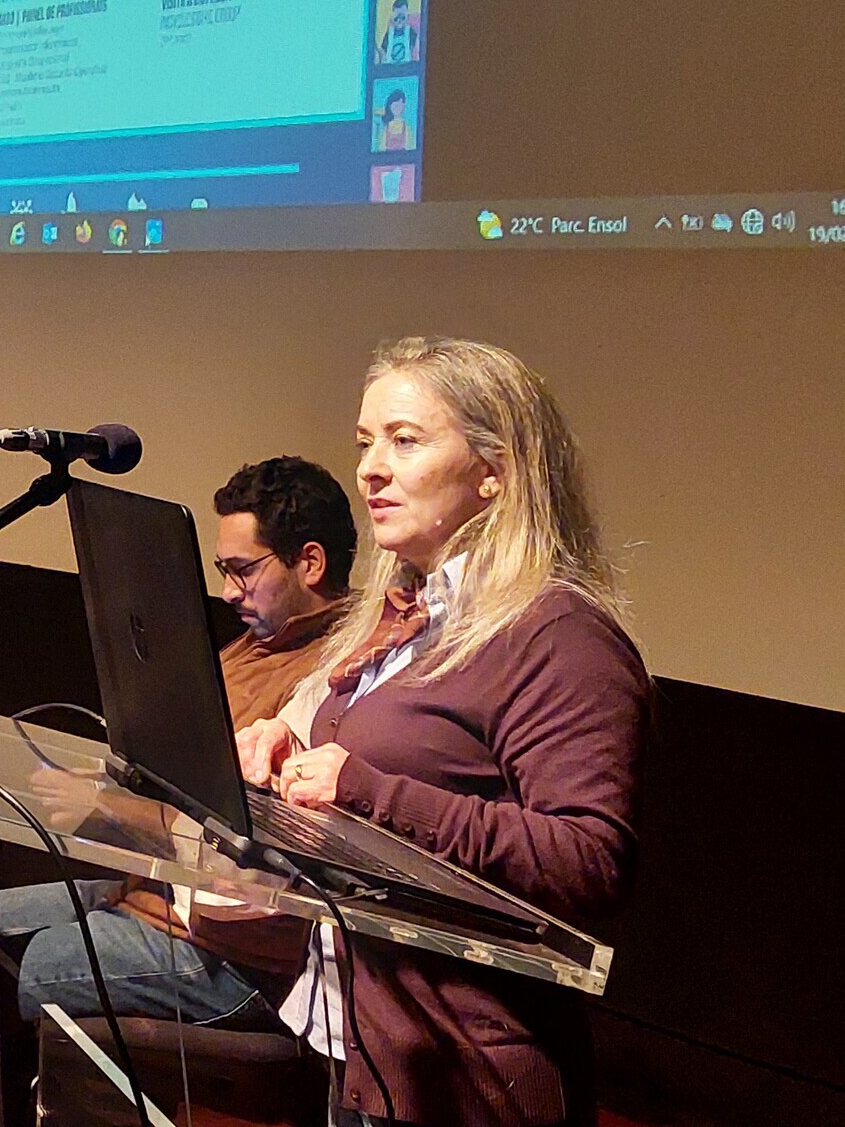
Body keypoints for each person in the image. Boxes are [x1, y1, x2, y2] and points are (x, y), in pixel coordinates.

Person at [239, 337, 648, 1126]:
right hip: (369, 1045)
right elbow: (418, 765)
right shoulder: (405, 611)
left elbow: (588, 859)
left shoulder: (558, 634)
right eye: (364, 443)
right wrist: (293, 750)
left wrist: (362, 789)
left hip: (468, 1076)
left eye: (404, 440)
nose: (369, 470)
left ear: (494, 471)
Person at [0, 458, 358, 1024]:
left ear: (310, 563)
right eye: (223, 571)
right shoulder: (254, 647)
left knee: (28, 963)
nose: (228, 591)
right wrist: (104, 788)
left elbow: (249, 840)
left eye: (243, 570)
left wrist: (107, 809)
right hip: (158, 895)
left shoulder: (335, 675)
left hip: (238, 954)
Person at [378, 0, 422, 69]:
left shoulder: (411, 32)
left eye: (402, 17)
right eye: (397, 18)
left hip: (407, 67)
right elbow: (383, 50)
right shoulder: (389, 33)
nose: (399, 21)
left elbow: (415, 48)